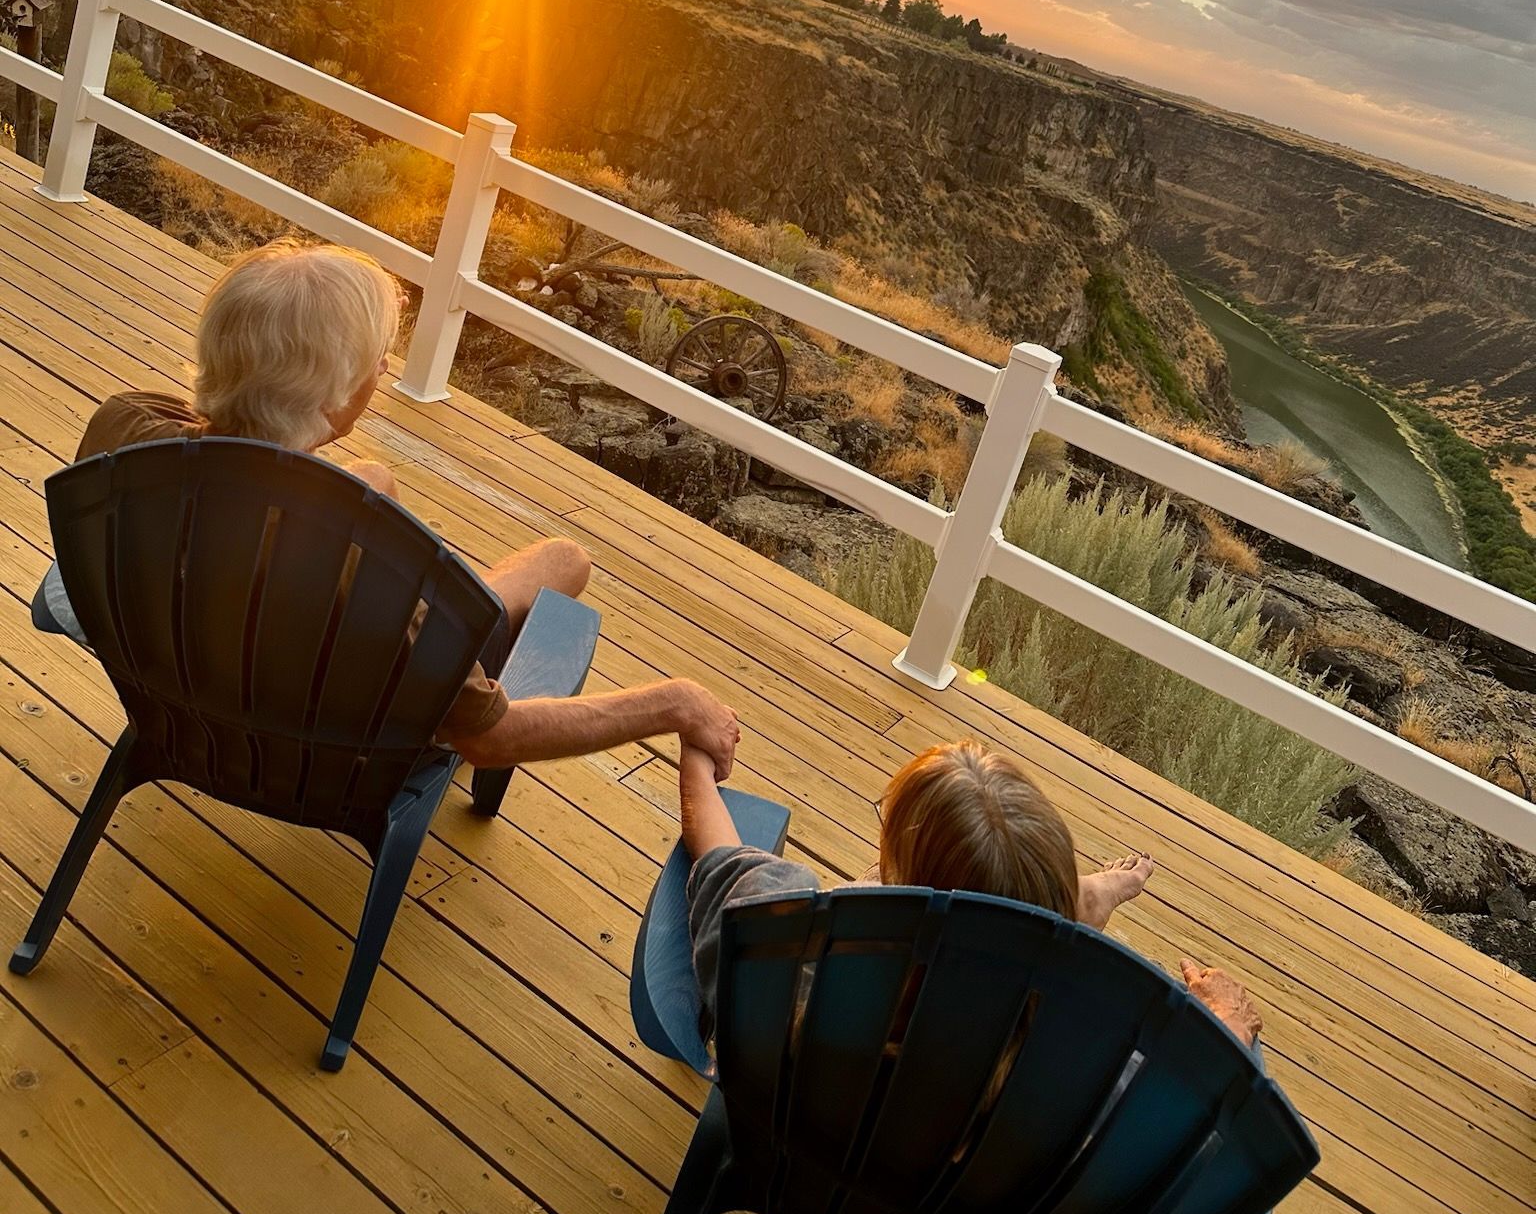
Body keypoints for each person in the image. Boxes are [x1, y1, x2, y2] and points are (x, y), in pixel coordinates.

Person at [30, 239, 740, 776]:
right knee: (566, 561)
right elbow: (488, 740)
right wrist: (671, 703)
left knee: (370, 481)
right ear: (336, 398)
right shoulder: (360, 564)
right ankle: (456, 616)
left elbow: (223, 453)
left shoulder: (124, 428)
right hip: (322, 752)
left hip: (183, 686)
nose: (382, 372)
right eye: (377, 361)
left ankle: (450, 608)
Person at [683, 737, 1261, 1046]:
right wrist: (1225, 1026)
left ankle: (1068, 897)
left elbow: (721, 860)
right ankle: (1071, 904)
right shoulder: (1071, 1050)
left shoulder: (788, 960)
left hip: (799, 1155)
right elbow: (1183, 1111)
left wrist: (697, 758)